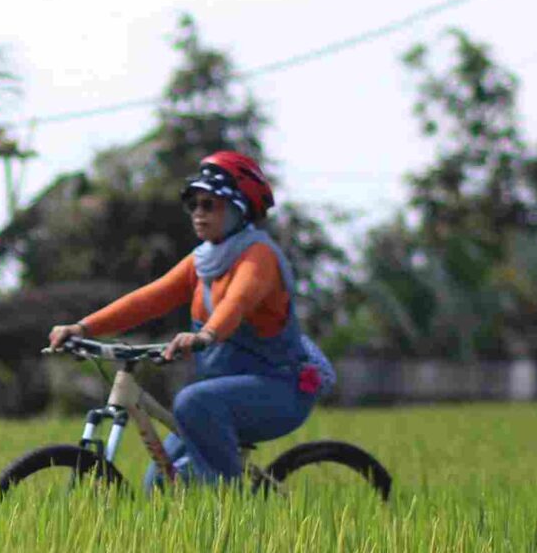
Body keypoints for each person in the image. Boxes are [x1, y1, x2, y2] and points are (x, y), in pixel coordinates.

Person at [46, 151, 338, 487]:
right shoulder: (203, 261)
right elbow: (149, 299)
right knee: (160, 482)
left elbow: (237, 301)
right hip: (227, 393)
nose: (199, 213)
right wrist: (83, 327)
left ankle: (230, 503)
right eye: (193, 204)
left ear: (238, 208)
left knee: (193, 401)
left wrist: (205, 335)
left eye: (209, 204)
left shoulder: (259, 256)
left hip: (278, 389)